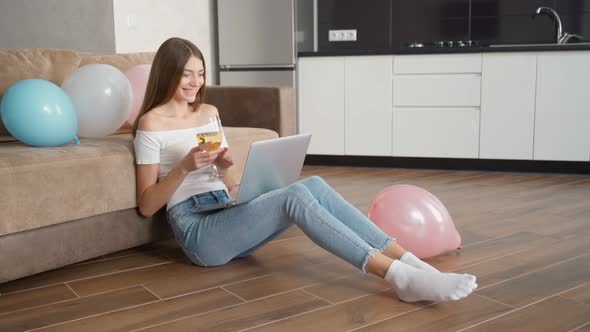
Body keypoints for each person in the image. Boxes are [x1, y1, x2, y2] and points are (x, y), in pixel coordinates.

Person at [132, 37, 477, 303]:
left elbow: (231, 183)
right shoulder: (151, 123)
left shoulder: (208, 112)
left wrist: (226, 170)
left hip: (225, 210)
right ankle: (398, 277)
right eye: (187, 73)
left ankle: (415, 265)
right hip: (199, 233)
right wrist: (182, 168)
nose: (195, 81)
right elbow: (147, 204)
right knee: (296, 195)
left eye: (201, 73)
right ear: (168, 73)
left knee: (314, 183)